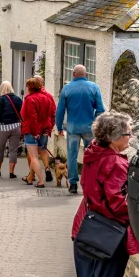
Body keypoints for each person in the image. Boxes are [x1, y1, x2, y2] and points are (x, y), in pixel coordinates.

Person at [70, 111, 139, 277]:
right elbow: (118, 204)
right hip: (108, 234)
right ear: (114, 138)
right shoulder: (115, 163)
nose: (131, 137)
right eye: (128, 133)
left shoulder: (92, 152)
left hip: (83, 226)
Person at [56, 65, 106, 194]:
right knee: (91, 155)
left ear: (73, 74)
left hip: (73, 127)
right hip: (89, 127)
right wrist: (95, 122)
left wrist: (59, 126)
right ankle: (90, 181)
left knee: (72, 155)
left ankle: (73, 184)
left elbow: (60, 110)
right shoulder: (93, 87)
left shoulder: (67, 89)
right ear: (86, 74)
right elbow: (100, 109)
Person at [20, 77, 56, 188]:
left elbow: (32, 117)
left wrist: (35, 132)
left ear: (30, 87)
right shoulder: (47, 98)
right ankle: (30, 178)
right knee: (41, 151)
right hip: (44, 130)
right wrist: (49, 129)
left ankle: (40, 181)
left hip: (32, 131)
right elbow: (52, 115)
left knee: (34, 156)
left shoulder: (30, 99)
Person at [0, 81, 23, 178]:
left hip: (3, 127)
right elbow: (22, 113)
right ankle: (11, 172)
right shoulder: (18, 99)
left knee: (0, 149)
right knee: (13, 150)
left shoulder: (0, 100)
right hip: (16, 126)